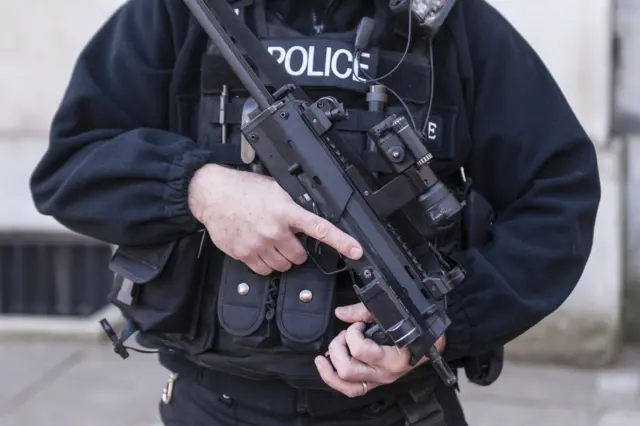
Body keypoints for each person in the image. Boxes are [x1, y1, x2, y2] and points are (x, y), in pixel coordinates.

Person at [29, 0, 601, 424]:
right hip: (216, 405)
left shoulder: (450, 25)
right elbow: (72, 166)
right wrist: (200, 189)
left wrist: (448, 324)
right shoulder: (182, 14)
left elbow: (558, 193)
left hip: (401, 409)